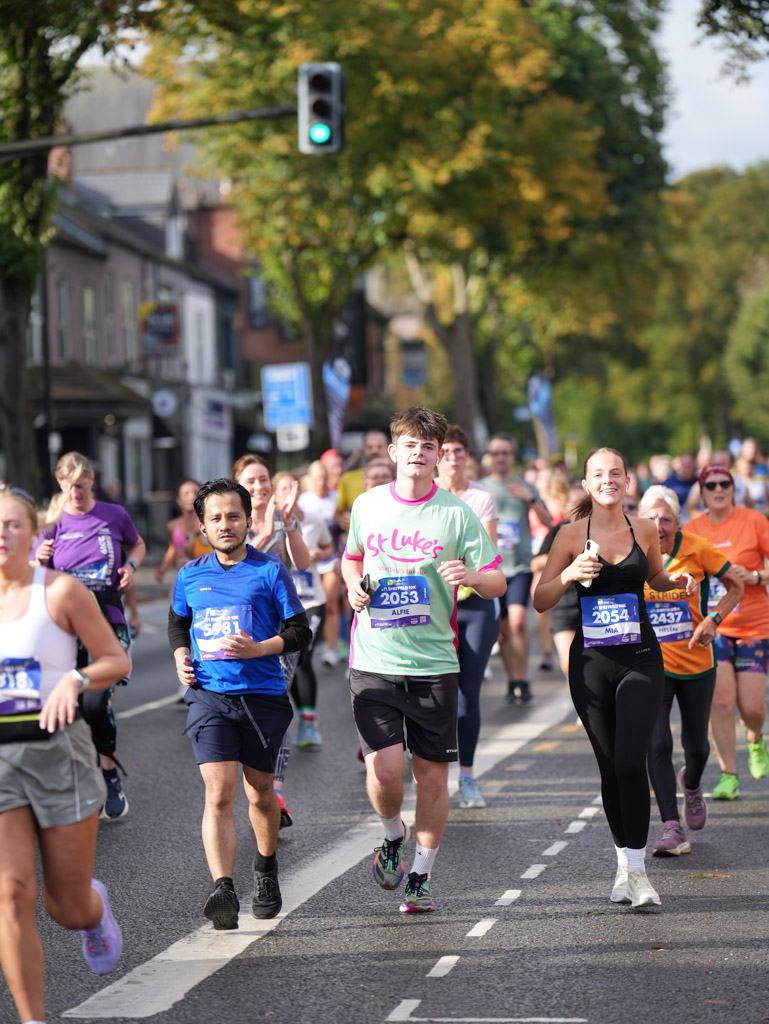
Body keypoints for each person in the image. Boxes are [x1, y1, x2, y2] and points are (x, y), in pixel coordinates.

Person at [343, 407, 504, 913]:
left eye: (428, 447)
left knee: (431, 777)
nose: (419, 453)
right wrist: (351, 587)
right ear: (393, 451)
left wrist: (471, 577)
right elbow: (352, 557)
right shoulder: (367, 505)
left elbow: (497, 579)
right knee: (385, 771)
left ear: (438, 456)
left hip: (434, 663)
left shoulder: (456, 513)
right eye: (410, 445)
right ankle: (393, 833)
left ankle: (420, 875)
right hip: (374, 657)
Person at [533, 447, 697, 909]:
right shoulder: (569, 535)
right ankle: (624, 865)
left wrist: (675, 583)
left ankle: (639, 873)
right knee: (609, 766)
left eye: (616, 473)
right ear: (586, 484)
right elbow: (541, 599)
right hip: (591, 663)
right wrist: (568, 573)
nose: (608, 480)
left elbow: (655, 577)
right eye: (599, 474)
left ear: (627, 481)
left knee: (630, 761)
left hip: (641, 657)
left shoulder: (643, 528)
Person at [0, 484, 130, 1024]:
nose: (2, 534)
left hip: (59, 753)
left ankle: (92, 912)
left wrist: (75, 679)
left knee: (66, 907)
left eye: (12, 524)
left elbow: (115, 660)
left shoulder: (60, 591)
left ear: (34, 533)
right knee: (10, 895)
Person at [168, 478, 311, 930]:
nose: (225, 524)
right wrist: (180, 656)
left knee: (261, 793)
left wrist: (258, 649)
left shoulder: (269, 570)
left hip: (262, 697)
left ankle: (265, 869)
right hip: (209, 697)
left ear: (248, 520)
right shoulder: (190, 574)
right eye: (215, 518)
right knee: (218, 794)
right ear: (203, 526)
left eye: (233, 516)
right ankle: (224, 888)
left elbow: (300, 631)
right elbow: (178, 623)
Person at [34, 452, 145, 820]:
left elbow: (137, 544)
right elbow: (30, 572)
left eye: (81, 485)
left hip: (107, 618)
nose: (75, 493)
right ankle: (83, 778)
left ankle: (109, 774)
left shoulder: (114, 515)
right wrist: (39, 557)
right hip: (65, 626)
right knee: (73, 708)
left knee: (96, 703)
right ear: (60, 483)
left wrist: (131, 566)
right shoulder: (52, 521)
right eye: (68, 486)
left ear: (92, 481)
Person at [639, 486, 743, 855]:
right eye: (651, 519)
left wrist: (714, 619)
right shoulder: (634, 553)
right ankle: (672, 826)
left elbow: (735, 586)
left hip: (696, 661)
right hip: (651, 663)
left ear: (678, 522)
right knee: (657, 742)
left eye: (666, 519)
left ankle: (693, 783)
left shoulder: (698, 548)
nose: (659, 526)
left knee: (696, 746)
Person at [684, 463, 769, 799]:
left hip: (753, 626)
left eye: (725, 484)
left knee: (752, 708)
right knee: (720, 702)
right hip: (713, 627)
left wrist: (757, 577)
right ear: (702, 492)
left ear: (734, 489)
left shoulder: (754, 521)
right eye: (711, 485)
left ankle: (755, 737)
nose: (718, 490)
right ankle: (728, 775)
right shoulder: (692, 529)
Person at [233, 454, 310, 827]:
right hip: (240, 626)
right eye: (251, 481)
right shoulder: (231, 520)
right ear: (238, 485)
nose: (259, 487)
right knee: (244, 706)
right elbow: (237, 563)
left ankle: (275, 793)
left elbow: (303, 562)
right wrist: (264, 533)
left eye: (264, 479)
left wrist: (289, 521)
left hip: (281, 625)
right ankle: (257, 788)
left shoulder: (285, 516)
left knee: (276, 702)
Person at [436, 424, 500, 809]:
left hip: (474, 605)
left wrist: (465, 568)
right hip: (435, 605)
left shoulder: (481, 498)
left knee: (465, 695)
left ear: (467, 456)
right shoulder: (426, 496)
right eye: (445, 451)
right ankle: (430, 769)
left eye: (458, 451)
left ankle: (467, 776)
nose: (452, 458)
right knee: (431, 691)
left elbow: (487, 557)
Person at [483, 434, 552, 704]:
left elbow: (548, 521)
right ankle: (513, 680)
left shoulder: (525, 486)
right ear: (490, 457)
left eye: (505, 453)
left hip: (520, 566)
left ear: (512, 456)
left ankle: (522, 678)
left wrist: (530, 499)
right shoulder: (482, 488)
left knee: (519, 621)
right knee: (502, 631)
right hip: (492, 569)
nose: (500, 458)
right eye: (496, 453)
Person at [274, 471, 334, 747]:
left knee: (303, 656)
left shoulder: (314, 520)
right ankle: (299, 718)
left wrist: (321, 554)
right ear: (275, 494)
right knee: (291, 661)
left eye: (292, 487)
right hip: (284, 605)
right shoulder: (269, 525)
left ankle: (309, 724)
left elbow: (328, 546)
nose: (289, 493)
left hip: (311, 602)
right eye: (282, 488)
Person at [299, 460, 343, 668]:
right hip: (309, 560)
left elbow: (343, 523)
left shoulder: (336, 497)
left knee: (330, 602)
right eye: (317, 478)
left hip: (330, 555)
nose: (321, 482)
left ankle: (330, 649)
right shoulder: (304, 500)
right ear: (310, 479)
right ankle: (317, 640)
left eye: (324, 477)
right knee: (315, 603)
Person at [333, 428, 389, 535]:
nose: (374, 451)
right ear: (362, 450)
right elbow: (338, 512)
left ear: (389, 449)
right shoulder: (347, 479)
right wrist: (341, 520)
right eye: (370, 447)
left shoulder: (401, 478)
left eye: (379, 447)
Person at [154, 479, 203, 583]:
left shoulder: (208, 524)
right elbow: (173, 548)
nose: (191, 497)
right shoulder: (172, 526)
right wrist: (163, 568)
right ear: (178, 499)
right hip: (183, 579)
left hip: (205, 578)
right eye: (186, 493)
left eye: (195, 492)